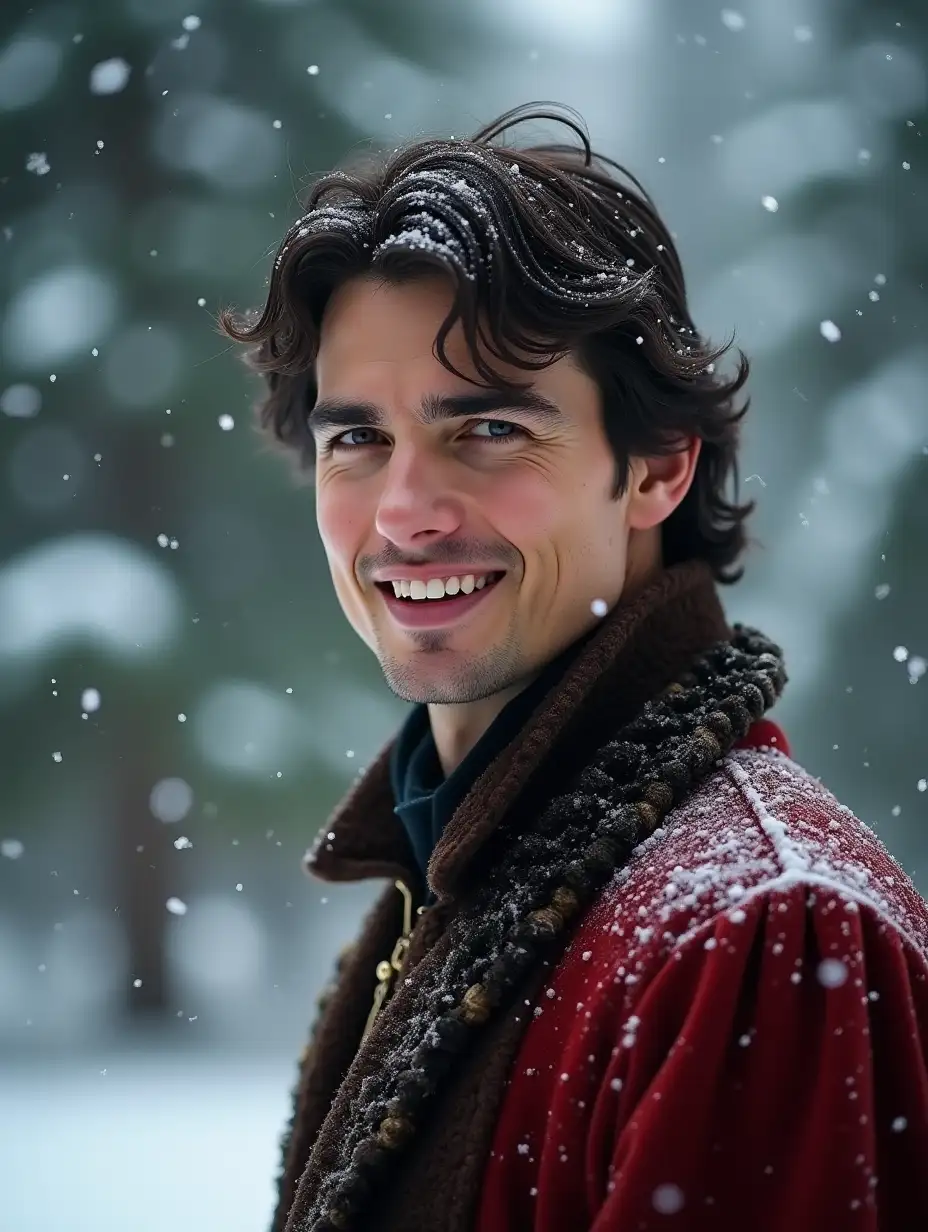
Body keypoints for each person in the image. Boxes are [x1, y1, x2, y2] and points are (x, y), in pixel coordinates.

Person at [221, 103, 928, 1232]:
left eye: (488, 428)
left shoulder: (758, 930)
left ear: (655, 468)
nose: (403, 512)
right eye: (357, 438)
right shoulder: (453, 863)